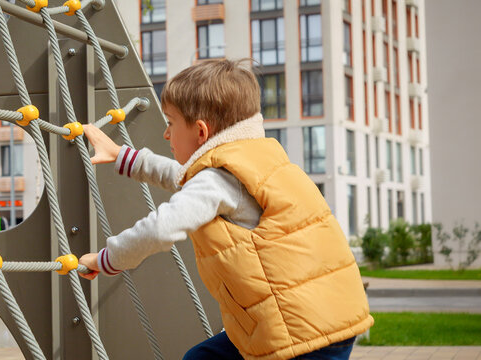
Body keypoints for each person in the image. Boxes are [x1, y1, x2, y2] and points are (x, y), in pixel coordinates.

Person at [78, 59, 373, 360]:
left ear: (202, 132)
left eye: (170, 122)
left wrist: (107, 259)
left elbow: (160, 228)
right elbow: (187, 179)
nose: (166, 134)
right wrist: (123, 157)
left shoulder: (218, 179)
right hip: (317, 315)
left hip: (299, 334)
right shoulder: (254, 160)